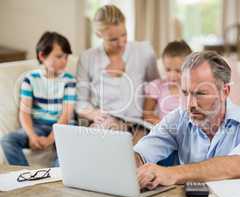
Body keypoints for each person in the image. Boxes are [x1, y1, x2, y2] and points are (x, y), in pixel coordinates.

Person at [134, 51, 240, 190]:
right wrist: (133, 162)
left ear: (225, 92)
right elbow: (141, 152)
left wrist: (170, 174)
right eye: (185, 93)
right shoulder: (178, 118)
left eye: (200, 93)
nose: (190, 105)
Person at [76, 5, 159, 142]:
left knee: (139, 149)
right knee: (110, 137)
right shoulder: (87, 58)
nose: (121, 43)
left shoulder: (144, 51)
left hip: (139, 124)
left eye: (124, 35)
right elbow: (81, 102)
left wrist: (149, 114)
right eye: (113, 39)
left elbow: (156, 87)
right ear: (99, 34)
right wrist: (95, 114)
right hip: (107, 122)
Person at [1, 32, 76, 167]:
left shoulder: (69, 80)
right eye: (59, 56)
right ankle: (25, 175)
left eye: (66, 56)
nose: (64, 61)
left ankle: (55, 175)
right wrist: (32, 136)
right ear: (42, 56)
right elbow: (24, 113)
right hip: (38, 126)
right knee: (7, 140)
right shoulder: (30, 79)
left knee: (67, 150)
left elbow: (66, 115)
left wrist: (51, 139)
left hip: (63, 126)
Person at [143, 40, 192, 125]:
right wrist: (162, 125)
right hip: (164, 131)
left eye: (178, 71)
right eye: (168, 70)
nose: (172, 76)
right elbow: (147, 114)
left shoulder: (193, 89)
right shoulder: (157, 86)